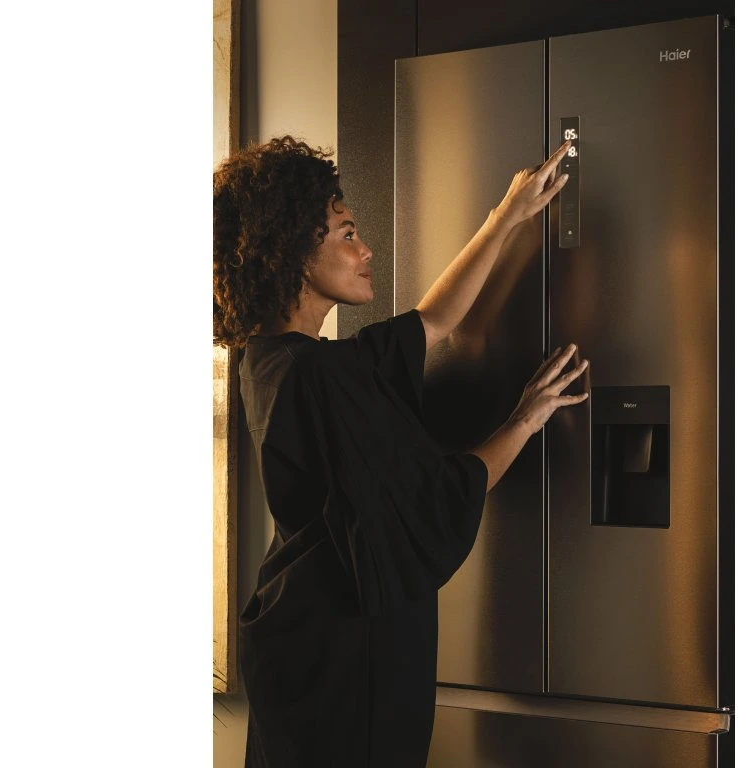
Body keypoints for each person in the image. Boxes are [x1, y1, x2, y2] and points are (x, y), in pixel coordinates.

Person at [213, 135, 589, 767]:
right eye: (346, 233)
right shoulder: (317, 375)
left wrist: (508, 216)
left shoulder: (271, 360)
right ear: (293, 251)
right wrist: (526, 419)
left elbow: (431, 322)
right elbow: (435, 502)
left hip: (301, 645)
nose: (366, 250)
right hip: (343, 659)